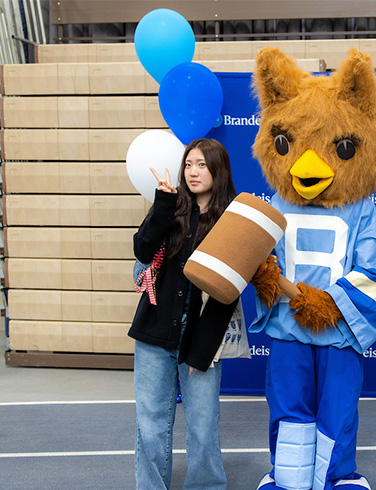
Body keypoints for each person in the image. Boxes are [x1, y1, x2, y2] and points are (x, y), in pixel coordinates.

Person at [128, 138, 238, 489]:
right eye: (189, 164)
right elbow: (143, 250)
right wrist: (162, 203)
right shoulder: (170, 207)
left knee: (204, 426)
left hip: (200, 340)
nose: (193, 171)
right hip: (153, 334)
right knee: (150, 423)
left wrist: (202, 349)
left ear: (218, 170)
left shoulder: (232, 220)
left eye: (202, 165)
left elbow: (228, 292)